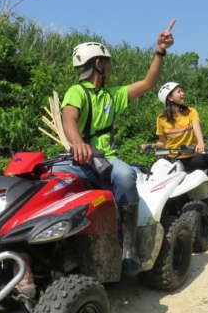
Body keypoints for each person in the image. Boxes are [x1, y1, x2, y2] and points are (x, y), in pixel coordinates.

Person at [55, 21, 175, 275]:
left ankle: (129, 247)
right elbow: (69, 119)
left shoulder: (112, 95)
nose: (110, 66)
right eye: (107, 62)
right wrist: (77, 143)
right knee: (52, 180)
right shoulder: (77, 91)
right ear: (99, 64)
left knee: (125, 175)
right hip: (79, 157)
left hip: (106, 158)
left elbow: (148, 83)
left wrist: (160, 51)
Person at [140, 82, 208, 182]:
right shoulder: (161, 118)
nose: (183, 93)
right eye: (179, 92)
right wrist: (150, 145)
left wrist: (200, 142)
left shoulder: (191, 112)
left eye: (182, 91)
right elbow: (162, 142)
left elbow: (196, 127)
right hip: (172, 159)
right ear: (170, 98)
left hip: (190, 157)